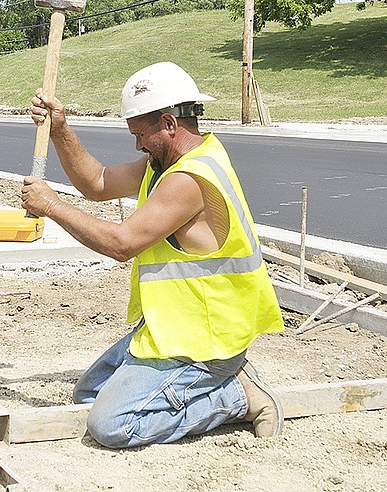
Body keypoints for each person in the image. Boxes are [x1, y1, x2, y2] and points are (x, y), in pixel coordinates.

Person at [22, 62, 285, 448]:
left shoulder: (188, 179)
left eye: (140, 134)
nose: (137, 145)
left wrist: (53, 206)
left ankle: (237, 396)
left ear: (168, 123)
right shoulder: (166, 163)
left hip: (205, 343)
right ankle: (219, 383)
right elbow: (98, 183)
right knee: (88, 396)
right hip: (171, 330)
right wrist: (61, 130)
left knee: (112, 426)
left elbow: (122, 244)